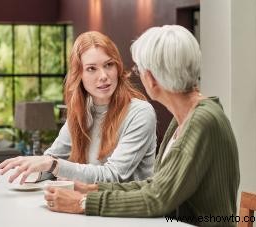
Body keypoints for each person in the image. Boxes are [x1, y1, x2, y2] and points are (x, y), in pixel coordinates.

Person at [43, 25, 240, 227]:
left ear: (152, 78)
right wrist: (92, 189)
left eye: (139, 69)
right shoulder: (184, 118)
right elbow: (156, 186)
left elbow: (158, 198)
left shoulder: (202, 121)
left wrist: (84, 202)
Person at [0, 31, 157, 184]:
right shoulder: (82, 111)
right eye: (91, 68)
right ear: (79, 74)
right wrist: (28, 170)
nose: (103, 76)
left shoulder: (140, 113)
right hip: (86, 208)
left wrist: (53, 165)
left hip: (129, 210)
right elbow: (51, 160)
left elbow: (114, 175)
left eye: (109, 65)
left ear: (118, 68)